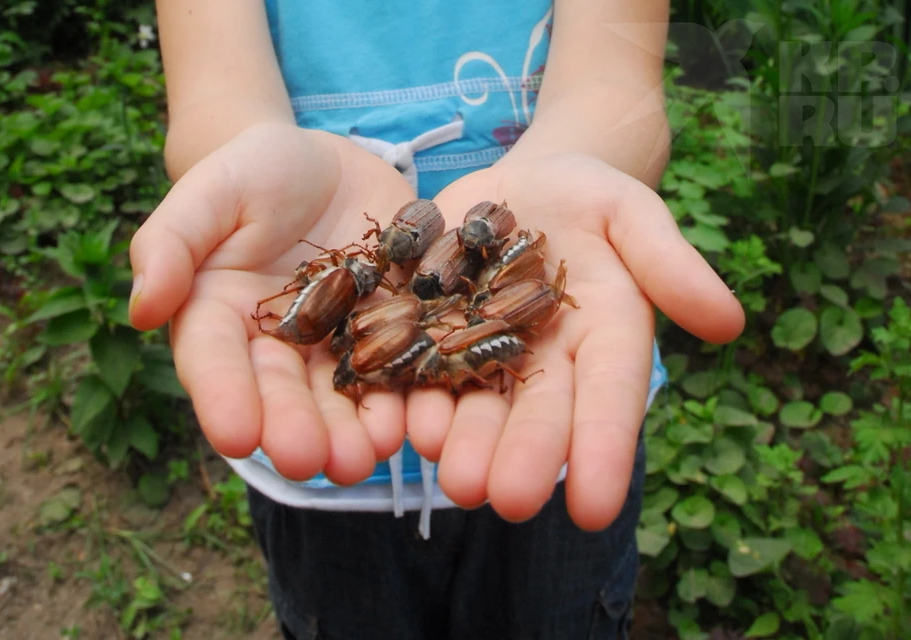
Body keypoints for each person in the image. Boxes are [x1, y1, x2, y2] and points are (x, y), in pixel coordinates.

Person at [128, 1, 745, 638]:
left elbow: (614, 82)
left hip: (566, 422)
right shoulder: (387, 288)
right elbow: (214, 98)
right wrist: (238, 156)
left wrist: (585, 158)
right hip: (322, 461)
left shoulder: (474, 282)